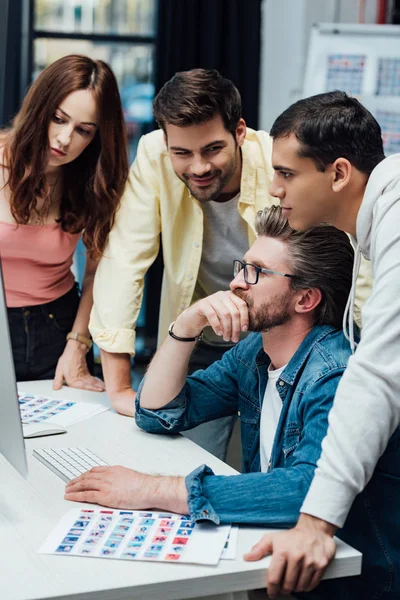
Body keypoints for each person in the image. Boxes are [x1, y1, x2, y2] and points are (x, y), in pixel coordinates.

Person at [66, 207, 400, 598]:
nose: (236, 283)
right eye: (243, 266)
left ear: (306, 298)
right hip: (278, 566)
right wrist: (186, 326)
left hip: (350, 583)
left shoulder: (335, 373)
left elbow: (307, 490)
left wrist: (152, 490)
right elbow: (157, 413)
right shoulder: (256, 351)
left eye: (256, 272)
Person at [89, 69, 371, 460]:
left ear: (239, 132)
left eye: (212, 150)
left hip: (289, 336)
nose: (199, 167)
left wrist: (364, 354)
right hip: (213, 336)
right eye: (182, 153)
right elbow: (123, 261)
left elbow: (353, 263)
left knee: (285, 462)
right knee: (185, 454)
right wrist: (120, 386)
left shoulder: (281, 165)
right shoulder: (154, 156)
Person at [242, 90, 400, 598]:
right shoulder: (372, 224)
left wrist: (315, 523)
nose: (273, 188)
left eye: (287, 174)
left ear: (337, 173)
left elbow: (379, 375)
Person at [0, 54, 128, 391]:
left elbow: (95, 273)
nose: (63, 139)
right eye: (58, 119)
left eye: (83, 130)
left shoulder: (92, 183)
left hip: (59, 328)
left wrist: (77, 344)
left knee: (70, 438)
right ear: (39, 109)